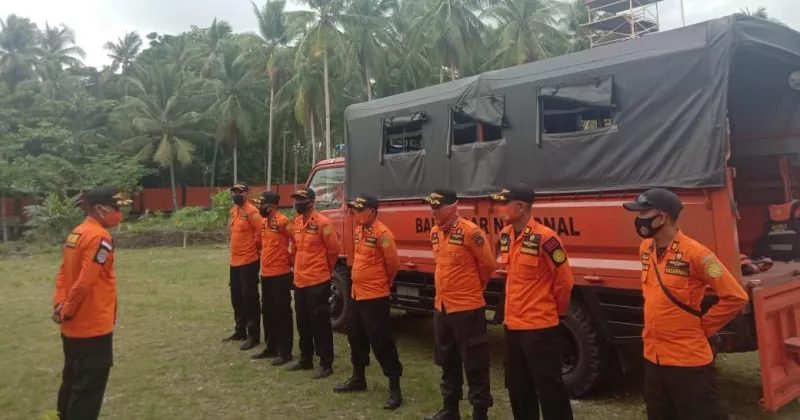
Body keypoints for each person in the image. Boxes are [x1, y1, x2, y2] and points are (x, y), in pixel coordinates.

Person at [623, 188, 748, 420]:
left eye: (643, 213)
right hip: (653, 357)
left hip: (687, 359)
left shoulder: (697, 254)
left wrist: (704, 327)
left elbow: (735, 296)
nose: (638, 219)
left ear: (662, 217)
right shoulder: (645, 249)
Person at [491, 184, 574, 420]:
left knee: (550, 390)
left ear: (519, 206)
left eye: (504, 204)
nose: (500, 210)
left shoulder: (547, 238)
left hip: (540, 328)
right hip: (513, 326)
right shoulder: (505, 234)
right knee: (518, 389)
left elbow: (564, 282)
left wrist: (554, 313)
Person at [52, 186, 131, 420]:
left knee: (71, 383)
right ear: (100, 208)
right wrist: (67, 309)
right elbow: (85, 282)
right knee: (88, 392)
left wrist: (60, 304)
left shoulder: (77, 233)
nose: (120, 213)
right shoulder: (100, 237)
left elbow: (63, 274)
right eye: (116, 208)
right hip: (92, 327)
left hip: (72, 327)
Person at [423, 188, 497, 420]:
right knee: (448, 362)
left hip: (467, 309)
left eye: (438, 207)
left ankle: (479, 412)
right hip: (442, 307)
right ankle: (450, 409)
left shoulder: (470, 232)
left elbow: (488, 265)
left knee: (475, 364)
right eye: (432, 207)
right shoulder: (435, 232)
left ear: (453, 207)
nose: (433, 211)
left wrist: (472, 289)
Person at [333, 195, 404, 409]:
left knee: (381, 340)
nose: (356, 213)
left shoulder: (383, 234)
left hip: (375, 296)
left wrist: (381, 283)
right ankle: (358, 378)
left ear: (372, 211)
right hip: (357, 294)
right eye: (355, 209)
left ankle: (394, 387)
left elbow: (393, 264)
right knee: (356, 337)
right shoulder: (358, 231)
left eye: (360, 210)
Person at [286, 187, 341, 379]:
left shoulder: (323, 223)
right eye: (296, 199)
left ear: (310, 202)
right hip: (300, 280)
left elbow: (333, 249)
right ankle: (305, 358)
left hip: (318, 280)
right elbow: (296, 247)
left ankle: (326, 363)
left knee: (320, 323)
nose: (297, 202)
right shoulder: (297, 221)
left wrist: (326, 269)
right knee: (303, 322)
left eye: (300, 199)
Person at [250, 191, 295, 365]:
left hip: (280, 275)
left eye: (263, 205)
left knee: (281, 313)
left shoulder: (284, 222)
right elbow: (261, 243)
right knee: (267, 312)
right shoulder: (263, 223)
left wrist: (289, 259)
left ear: (272, 206)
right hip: (266, 273)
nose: (260, 208)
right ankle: (271, 347)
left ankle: (285, 352)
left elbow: (297, 241)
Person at [222, 182, 263, 351]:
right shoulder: (234, 211)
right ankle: (240, 330)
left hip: (249, 261)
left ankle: (253, 335)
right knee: (236, 297)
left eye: (239, 192)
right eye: (234, 192)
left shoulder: (252, 212)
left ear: (246, 194)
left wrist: (255, 254)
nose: (236, 195)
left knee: (250, 298)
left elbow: (260, 235)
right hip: (235, 261)